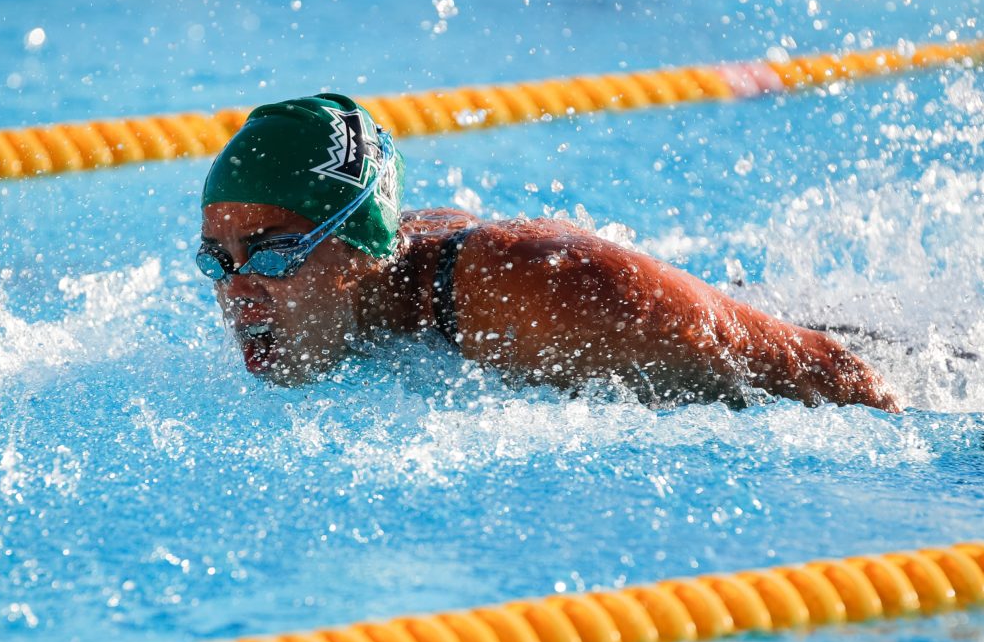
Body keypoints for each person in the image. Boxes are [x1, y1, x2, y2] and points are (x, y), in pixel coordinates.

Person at [197, 93, 900, 412]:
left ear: (354, 250)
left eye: (272, 254)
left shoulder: (538, 291)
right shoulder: (365, 289)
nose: (238, 291)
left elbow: (828, 368)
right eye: (217, 261)